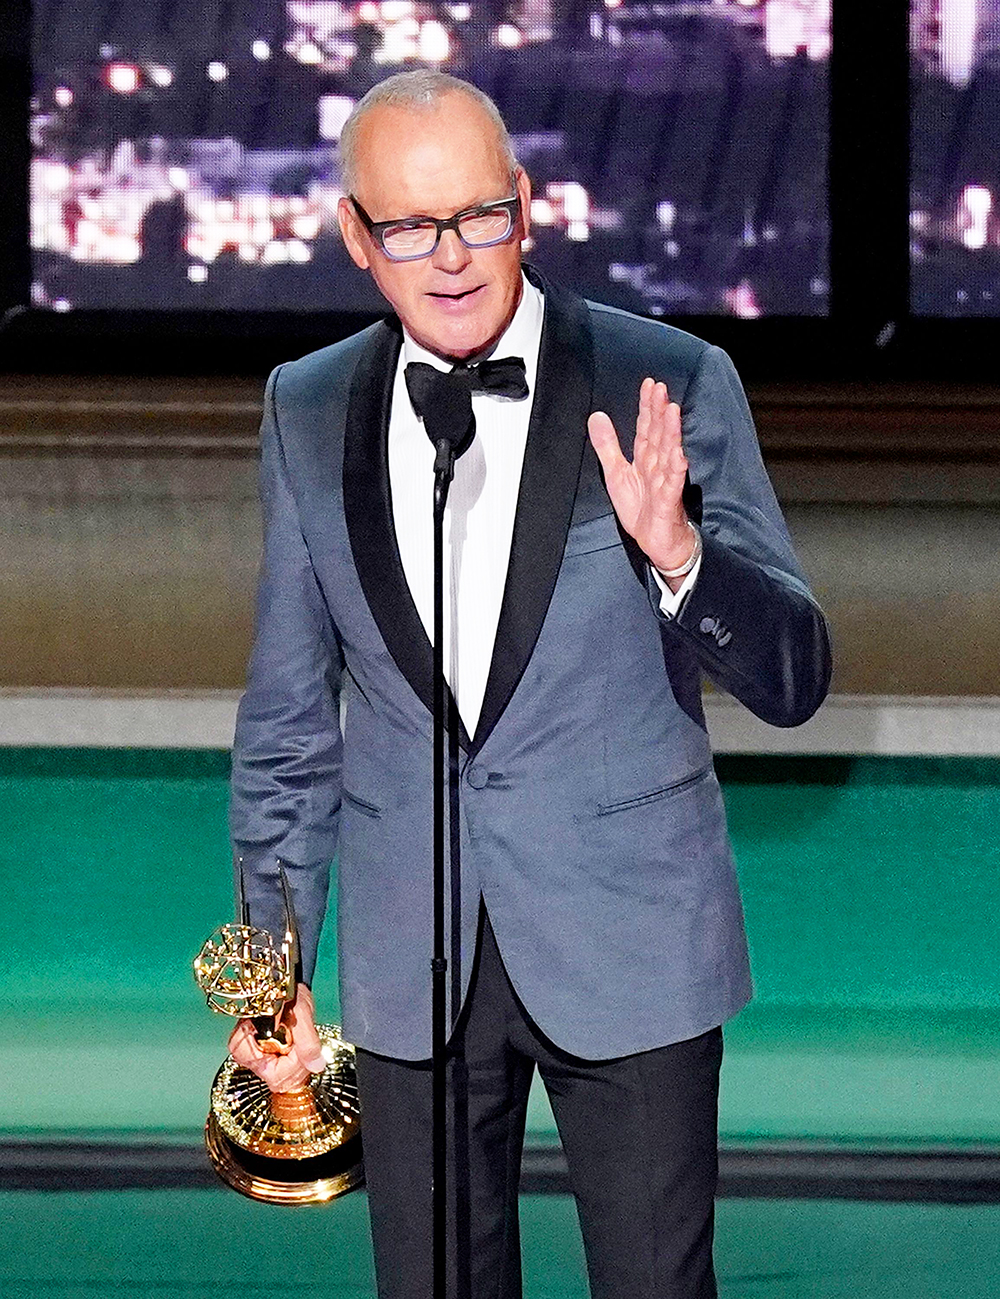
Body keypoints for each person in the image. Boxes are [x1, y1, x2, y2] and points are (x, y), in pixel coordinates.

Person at [226, 70, 831, 1299]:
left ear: (526, 204)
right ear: (354, 234)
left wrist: (679, 556)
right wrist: (274, 969)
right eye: (407, 226)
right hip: (412, 958)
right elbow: (291, 726)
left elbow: (791, 677)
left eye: (477, 217)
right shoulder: (305, 407)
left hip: (632, 937)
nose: (449, 259)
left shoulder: (666, 378)